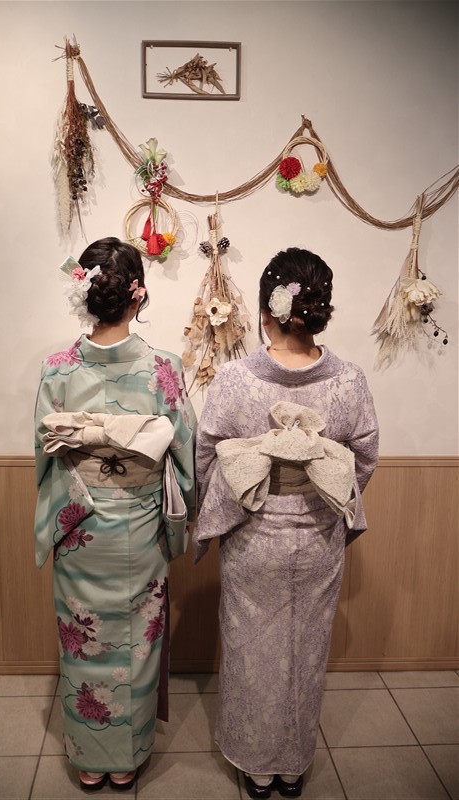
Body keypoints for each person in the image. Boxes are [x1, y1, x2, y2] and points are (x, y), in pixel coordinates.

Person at [193, 247, 379, 799]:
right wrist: (321, 493)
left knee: (251, 646)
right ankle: (294, 766)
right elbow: (364, 458)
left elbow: (206, 456)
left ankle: (257, 766)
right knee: (306, 648)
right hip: (319, 535)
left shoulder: (235, 380)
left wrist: (234, 499)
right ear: (321, 310)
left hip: (253, 533)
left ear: (265, 311)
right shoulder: (348, 381)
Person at [33, 237, 196, 792]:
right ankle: (126, 758)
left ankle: (88, 757)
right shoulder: (164, 367)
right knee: (137, 644)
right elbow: (184, 454)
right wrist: (178, 519)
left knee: (82, 638)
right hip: (141, 526)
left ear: (85, 294)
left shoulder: (57, 370)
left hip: (78, 526)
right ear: (137, 295)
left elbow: (45, 458)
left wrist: (58, 518)